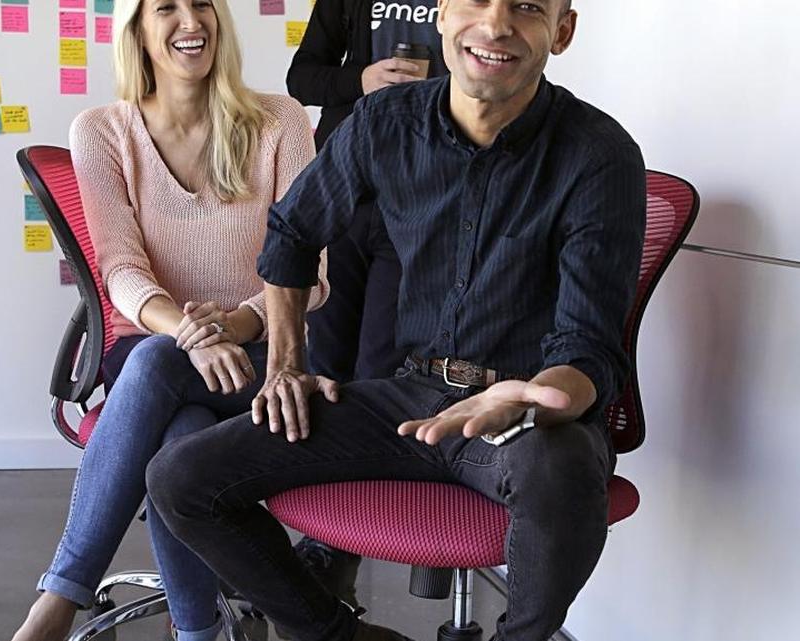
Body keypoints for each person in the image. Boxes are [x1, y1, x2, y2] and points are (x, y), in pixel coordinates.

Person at [148, 1, 646, 640]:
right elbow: (292, 234)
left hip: (526, 421)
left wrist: (539, 400)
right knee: (182, 478)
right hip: (407, 397)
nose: (494, 26)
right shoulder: (385, 121)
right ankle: (335, 634)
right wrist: (286, 366)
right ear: (441, 15)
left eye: (526, 6)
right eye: (475, 2)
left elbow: (588, 349)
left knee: (562, 472)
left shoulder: (598, 155)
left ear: (563, 30)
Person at [10, 2, 326, 641]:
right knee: (176, 434)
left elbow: (311, 272)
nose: (191, 20)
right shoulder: (101, 131)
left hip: (261, 357)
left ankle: (61, 596)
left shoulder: (281, 122)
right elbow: (119, 269)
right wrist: (187, 333)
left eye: (203, 4)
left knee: (163, 370)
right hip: (152, 353)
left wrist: (235, 325)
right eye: (167, 7)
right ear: (137, 31)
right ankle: (197, 633)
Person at [285, 0, 448, 606]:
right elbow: (302, 77)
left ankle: (344, 545)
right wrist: (362, 80)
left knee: (379, 368)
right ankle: (321, 534)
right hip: (343, 192)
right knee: (325, 364)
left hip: (423, 198)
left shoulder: (470, 10)